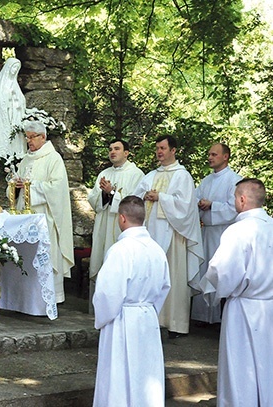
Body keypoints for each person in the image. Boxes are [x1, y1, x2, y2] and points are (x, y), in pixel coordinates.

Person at [203, 178, 273, 406]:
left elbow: (222, 270)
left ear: (242, 200)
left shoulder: (239, 230)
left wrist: (218, 290)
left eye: (235, 197)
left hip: (244, 308)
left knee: (241, 369)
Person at [92, 195, 170, 407]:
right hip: (147, 318)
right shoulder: (157, 250)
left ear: (122, 218)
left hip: (122, 319)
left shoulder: (120, 250)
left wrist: (101, 318)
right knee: (145, 373)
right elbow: (164, 287)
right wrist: (149, 310)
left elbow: (108, 293)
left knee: (119, 375)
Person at [133, 135, 203, 338]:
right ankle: (153, 319)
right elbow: (135, 197)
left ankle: (175, 324)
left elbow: (186, 206)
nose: (159, 152)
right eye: (157, 148)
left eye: (163, 148)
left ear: (173, 150)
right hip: (151, 234)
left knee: (173, 278)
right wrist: (144, 196)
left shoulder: (182, 176)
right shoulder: (150, 176)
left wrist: (160, 197)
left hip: (174, 235)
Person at [12, 120, 74, 303]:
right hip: (26, 218)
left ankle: (47, 300)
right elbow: (17, 190)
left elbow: (57, 188)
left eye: (32, 137)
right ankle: (27, 301)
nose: (29, 141)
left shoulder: (53, 158)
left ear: (43, 137)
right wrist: (16, 187)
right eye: (27, 137)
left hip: (45, 218)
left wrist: (30, 186)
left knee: (46, 258)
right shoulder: (25, 159)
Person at [190, 143, 241, 324]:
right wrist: (199, 203)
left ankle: (220, 318)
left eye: (214, 154)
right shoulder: (206, 180)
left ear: (225, 156)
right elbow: (194, 199)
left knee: (220, 272)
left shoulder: (234, 180)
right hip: (207, 232)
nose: (210, 157)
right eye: (209, 154)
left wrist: (212, 205)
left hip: (223, 233)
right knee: (205, 271)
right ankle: (203, 317)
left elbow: (234, 208)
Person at [87, 139, 144, 282]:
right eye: (110, 149)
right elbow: (94, 201)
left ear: (126, 153)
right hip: (104, 226)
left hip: (123, 228)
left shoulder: (136, 174)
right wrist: (104, 194)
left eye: (117, 149)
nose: (112, 152)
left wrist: (112, 193)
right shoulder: (104, 174)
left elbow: (135, 204)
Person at [0, 57, 27, 165]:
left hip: (16, 117)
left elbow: (21, 100)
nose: (14, 70)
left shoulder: (14, 84)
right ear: (8, 68)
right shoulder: (0, 83)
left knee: (17, 140)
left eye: (17, 69)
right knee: (5, 139)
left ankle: (18, 162)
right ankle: (4, 164)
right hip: (5, 117)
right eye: (13, 67)